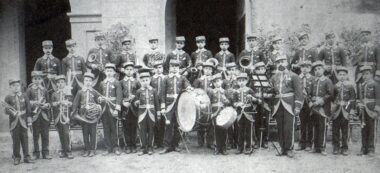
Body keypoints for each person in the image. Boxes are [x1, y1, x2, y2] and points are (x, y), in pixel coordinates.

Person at [270, 55, 303, 158]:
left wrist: (297, 106)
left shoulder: (294, 76)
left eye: (282, 61)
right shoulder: (274, 77)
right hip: (278, 104)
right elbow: (272, 92)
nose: (280, 63)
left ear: (287, 62)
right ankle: (282, 147)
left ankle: (289, 148)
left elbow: (299, 92)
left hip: (289, 104)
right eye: (278, 62)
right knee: (280, 127)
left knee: (289, 127)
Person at [160, 59, 193, 154]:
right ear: (169, 67)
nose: (174, 69)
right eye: (172, 66)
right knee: (168, 124)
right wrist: (163, 106)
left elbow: (187, 84)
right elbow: (162, 93)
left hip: (179, 104)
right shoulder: (166, 78)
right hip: (169, 105)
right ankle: (167, 146)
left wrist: (189, 87)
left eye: (176, 67)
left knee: (178, 125)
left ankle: (175, 145)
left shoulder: (182, 78)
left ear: (179, 68)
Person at [4, 79, 34, 165]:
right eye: (13, 86)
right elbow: (6, 111)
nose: (16, 87)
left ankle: (27, 157)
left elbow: (28, 108)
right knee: (15, 140)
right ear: (10, 87)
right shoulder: (8, 97)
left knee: (25, 139)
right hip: (14, 122)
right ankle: (16, 157)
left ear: (20, 86)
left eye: (17, 85)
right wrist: (12, 112)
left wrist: (29, 119)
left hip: (23, 121)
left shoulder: (24, 96)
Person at [72, 72, 101, 157]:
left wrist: (99, 102)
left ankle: (92, 149)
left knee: (93, 133)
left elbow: (99, 102)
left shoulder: (95, 92)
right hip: (83, 116)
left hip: (93, 116)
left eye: (89, 80)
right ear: (83, 81)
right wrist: (74, 114)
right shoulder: (80, 92)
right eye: (86, 80)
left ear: (92, 82)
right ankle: (87, 149)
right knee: (85, 133)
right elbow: (75, 104)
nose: (88, 82)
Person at [309, 61, 334, 155]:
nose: (317, 71)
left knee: (322, 127)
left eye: (319, 69)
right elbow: (309, 94)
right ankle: (315, 147)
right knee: (314, 127)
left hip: (323, 107)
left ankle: (322, 147)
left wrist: (321, 101)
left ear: (323, 70)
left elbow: (330, 94)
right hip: (314, 108)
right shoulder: (313, 81)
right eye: (315, 70)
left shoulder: (327, 81)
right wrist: (311, 101)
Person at [98, 63, 122, 156]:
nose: (109, 73)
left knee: (114, 128)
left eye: (111, 71)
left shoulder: (116, 82)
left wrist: (117, 109)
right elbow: (99, 95)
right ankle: (108, 147)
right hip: (104, 109)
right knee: (106, 128)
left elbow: (119, 96)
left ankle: (116, 147)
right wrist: (99, 99)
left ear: (114, 72)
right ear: (105, 72)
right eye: (107, 71)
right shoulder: (102, 83)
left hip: (113, 108)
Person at [27, 71, 52, 160]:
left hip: (44, 115)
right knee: (35, 135)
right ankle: (36, 153)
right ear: (32, 80)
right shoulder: (29, 90)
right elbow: (27, 103)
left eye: (39, 79)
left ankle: (46, 153)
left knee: (45, 134)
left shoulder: (44, 90)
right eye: (35, 79)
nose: (37, 81)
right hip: (35, 116)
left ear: (41, 79)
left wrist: (46, 105)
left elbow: (49, 102)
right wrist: (33, 103)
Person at [134, 70, 160, 155]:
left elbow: (156, 103)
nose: (145, 82)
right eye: (143, 81)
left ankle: (150, 147)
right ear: (140, 81)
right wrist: (136, 102)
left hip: (151, 113)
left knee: (151, 130)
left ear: (149, 80)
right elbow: (135, 101)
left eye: (146, 80)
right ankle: (143, 148)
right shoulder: (138, 91)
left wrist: (158, 112)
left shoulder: (154, 90)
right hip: (142, 113)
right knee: (142, 130)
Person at [331, 67, 355, 155]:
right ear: (337, 76)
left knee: (345, 130)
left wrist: (351, 110)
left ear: (347, 75)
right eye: (340, 75)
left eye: (344, 75)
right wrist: (332, 110)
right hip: (337, 111)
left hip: (346, 110)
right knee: (335, 129)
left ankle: (345, 147)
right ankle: (336, 147)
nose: (342, 76)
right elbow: (332, 99)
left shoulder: (350, 86)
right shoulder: (335, 86)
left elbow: (352, 99)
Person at [357, 65, 380, 157]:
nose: (365, 76)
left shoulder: (375, 84)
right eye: (363, 74)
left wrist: (377, 110)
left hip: (372, 110)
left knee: (371, 129)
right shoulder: (362, 85)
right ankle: (364, 148)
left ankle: (371, 148)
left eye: (367, 74)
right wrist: (359, 104)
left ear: (371, 74)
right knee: (364, 129)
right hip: (363, 110)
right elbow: (360, 98)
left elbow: (378, 98)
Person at [233, 72, 258, 155]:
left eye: (243, 80)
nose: (241, 82)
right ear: (237, 82)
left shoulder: (250, 90)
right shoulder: (236, 91)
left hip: (249, 113)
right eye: (239, 81)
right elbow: (234, 102)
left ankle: (249, 147)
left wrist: (252, 98)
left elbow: (257, 100)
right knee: (240, 130)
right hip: (240, 113)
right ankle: (240, 148)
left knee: (249, 131)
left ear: (246, 81)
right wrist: (237, 104)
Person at [249, 62, 273, 149]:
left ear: (265, 70)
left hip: (265, 104)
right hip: (256, 104)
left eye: (262, 69)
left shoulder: (268, 80)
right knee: (256, 122)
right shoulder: (252, 81)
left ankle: (265, 140)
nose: (260, 71)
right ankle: (257, 140)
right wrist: (256, 97)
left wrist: (265, 96)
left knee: (266, 122)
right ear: (256, 70)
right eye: (258, 69)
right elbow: (250, 92)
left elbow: (272, 93)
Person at [51, 75, 74, 159]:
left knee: (66, 133)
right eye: (58, 82)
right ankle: (63, 151)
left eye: (62, 82)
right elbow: (52, 104)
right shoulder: (54, 94)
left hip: (66, 117)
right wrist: (57, 103)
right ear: (56, 84)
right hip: (57, 116)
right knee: (61, 134)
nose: (60, 84)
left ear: (65, 83)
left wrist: (67, 103)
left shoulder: (68, 93)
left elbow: (71, 103)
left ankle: (68, 151)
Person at [193, 61, 215, 148]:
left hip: (211, 103)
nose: (208, 71)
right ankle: (200, 142)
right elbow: (194, 91)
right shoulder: (199, 80)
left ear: (212, 71)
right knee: (200, 121)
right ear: (203, 70)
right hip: (201, 104)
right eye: (206, 69)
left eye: (210, 69)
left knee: (211, 123)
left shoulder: (214, 80)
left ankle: (210, 143)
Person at [120, 61, 140, 154]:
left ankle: (134, 145)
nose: (129, 71)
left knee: (134, 127)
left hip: (134, 109)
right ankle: (128, 145)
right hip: (125, 109)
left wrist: (136, 100)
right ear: (124, 71)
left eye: (131, 69)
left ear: (134, 71)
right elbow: (118, 95)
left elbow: (140, 93)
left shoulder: (137, 81)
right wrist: (122, 102)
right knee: (126, 127)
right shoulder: (121, 82)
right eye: (127, 69)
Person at [208, 73, 230, 155]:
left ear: (221, 82)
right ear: (213, 83)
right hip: (214, 113)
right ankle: (217, 147)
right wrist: (211, 113)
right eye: (215, 82)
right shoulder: (211, 92)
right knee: (216, 130)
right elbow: (209, 103)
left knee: (224, 130)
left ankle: (223, 148)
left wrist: (225, 100)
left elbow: (229, 103)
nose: (217, 83)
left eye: (219, 81)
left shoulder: (225, 92)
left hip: (223, 113)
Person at [296, 61, 315, 151]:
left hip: (309, 103)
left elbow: (315, 91)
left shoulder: (313, 78)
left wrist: (312, 100)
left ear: (310, 68)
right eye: (303, 67)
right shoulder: (296, 78)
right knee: (302, 123)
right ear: (300, 68)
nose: (304, 69)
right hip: (300, 103)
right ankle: (302, 142)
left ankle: (309, 143)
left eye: (307, 67)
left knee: (310, 123)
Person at [222, 62, 240, 149]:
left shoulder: (239, 80)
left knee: (237, 124)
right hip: (228, 104)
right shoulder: (225, 81)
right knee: (228, 124)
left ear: (236, 70)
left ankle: (237, 142)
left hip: (236, 105)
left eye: (233, 70)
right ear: (227, 71)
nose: (232, 72)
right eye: (229, 70)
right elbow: (222, 91)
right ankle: (229, 142)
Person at [150, 61, 167, 149]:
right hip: (154, 103)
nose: (158, 69)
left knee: (164, 122)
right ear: (154, 69)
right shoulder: (152, 79)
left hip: (165, 102)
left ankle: (163, 141)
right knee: (156, 122)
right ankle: (156, 142)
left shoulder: (166, 78)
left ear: (163, 68)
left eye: (160, 67)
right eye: (156, 68)